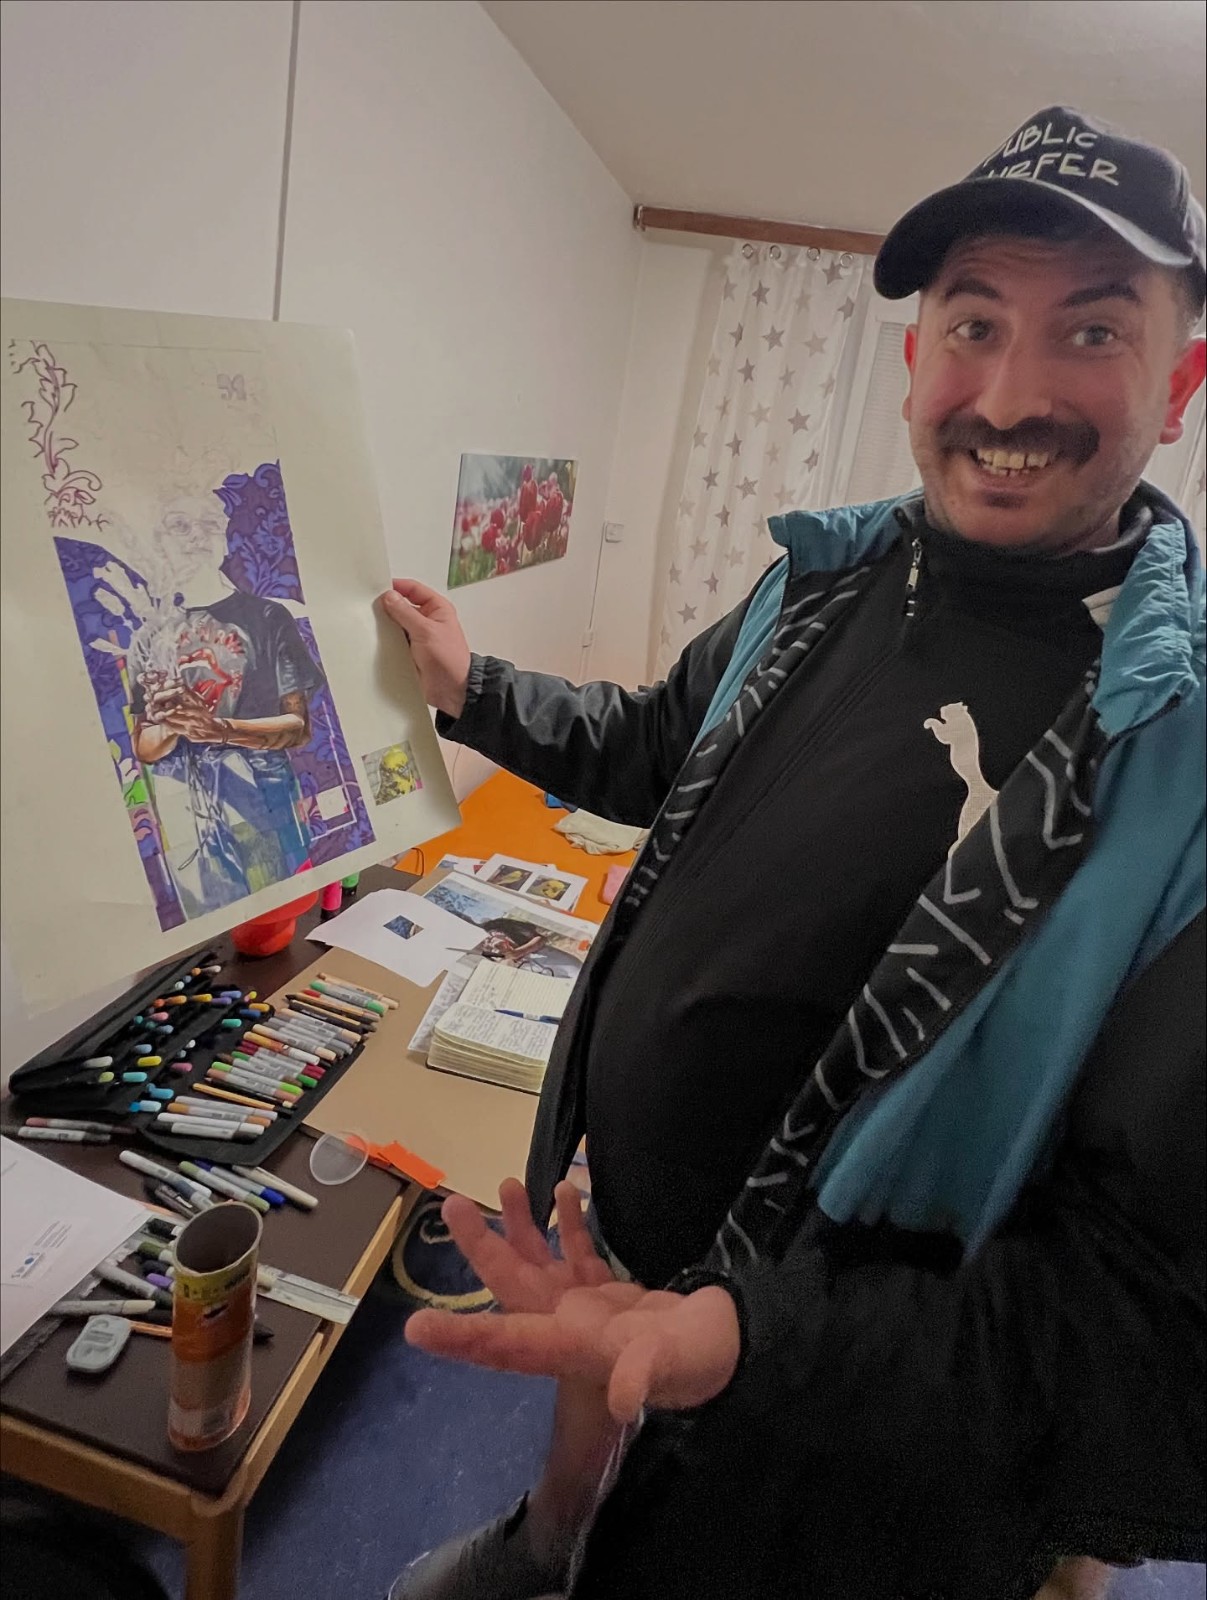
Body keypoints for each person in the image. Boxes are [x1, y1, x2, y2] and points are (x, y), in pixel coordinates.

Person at [380, 106, 1206, 1600]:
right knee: (588, 1485)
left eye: (1091, 331)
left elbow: (1144, 1320)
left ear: (1180, 382)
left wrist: (755, 1340)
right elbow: (658, 741)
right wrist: (475, 690)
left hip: (849, 1440)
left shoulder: (1182, 758)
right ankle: (554, 1541)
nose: (1008, 394)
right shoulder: (825, 579)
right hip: (626, 1254)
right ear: (913, 357)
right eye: (973, 323)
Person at [128, 491, 323, 915]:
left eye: (210, 525)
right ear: (160, 541)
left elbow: (298, 726)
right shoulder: (149, 637)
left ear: (225, 540)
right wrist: (171, 721)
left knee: (278, 911)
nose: (197, 536)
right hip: (185, 810)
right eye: (181, 526)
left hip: (262, 799)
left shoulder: (268, 618)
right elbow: (144, 746)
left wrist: (219, 729)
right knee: (208, 920)